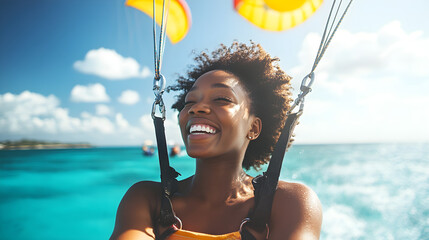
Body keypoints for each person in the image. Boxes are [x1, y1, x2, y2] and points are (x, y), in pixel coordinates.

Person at [110, 42, 322, 240]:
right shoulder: (147, 199)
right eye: (189, 101)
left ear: (254, 128)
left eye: (222, 99)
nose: (195, 108)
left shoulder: (290, 202)